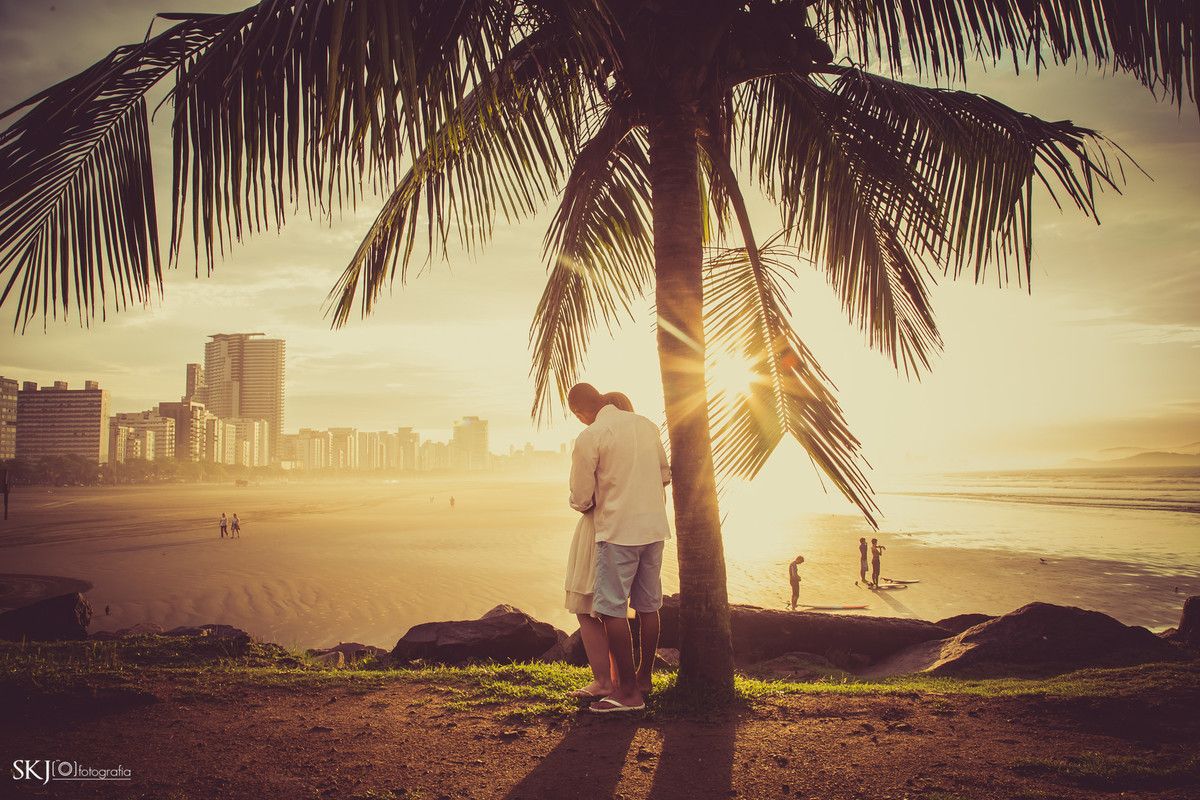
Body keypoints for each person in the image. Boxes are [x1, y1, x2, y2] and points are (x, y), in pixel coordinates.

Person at [568, 383, 671, 714]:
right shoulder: (647, 425)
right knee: (648, 606)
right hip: (654, 529)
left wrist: (588, 501)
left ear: (580, 413)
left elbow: (582, 497)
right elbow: (664, 477)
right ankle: (643, 679)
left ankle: (627, 694)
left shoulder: (592, 434)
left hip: (617, 532)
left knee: (612, 609)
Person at [563, 391, 635, 701]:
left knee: (587, 608)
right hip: (631, 530)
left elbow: (583, 499)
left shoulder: (593, 437)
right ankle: (621, 681)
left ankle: (605, 682)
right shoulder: (638, 441)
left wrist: (576, 500)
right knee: (614, 610)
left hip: (598, 528)